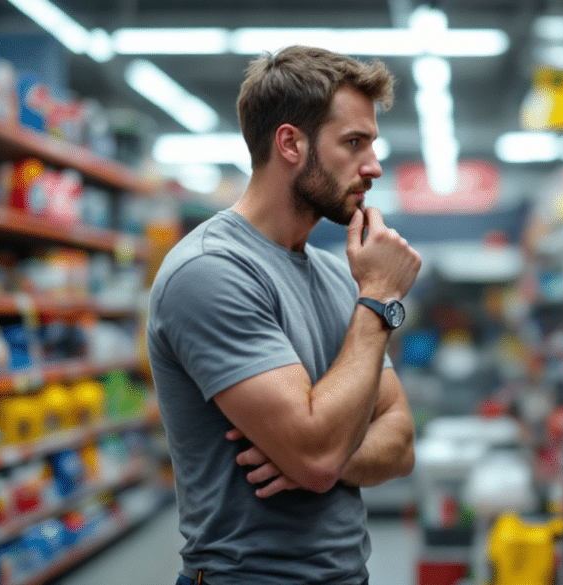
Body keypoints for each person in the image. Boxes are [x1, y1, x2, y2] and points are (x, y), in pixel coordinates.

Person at [146, 45, 422, 585]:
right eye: (353, 143)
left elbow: (401, 441)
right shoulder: (211, 271)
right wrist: (379, 298)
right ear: (290, 143)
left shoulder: (341, 273)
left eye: (372, 143)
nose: (374, 166)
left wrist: (322, 459)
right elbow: (316, 455)